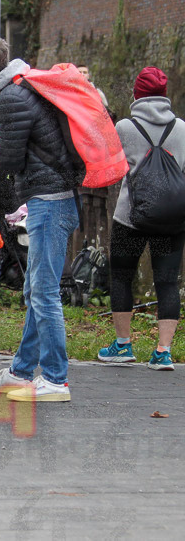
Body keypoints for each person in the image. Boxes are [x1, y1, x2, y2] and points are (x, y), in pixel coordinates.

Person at [0, 36, 81, 399]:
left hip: (49, 199)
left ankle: (55, 378)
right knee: (36, 289)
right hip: (54, 196)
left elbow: (8, 159)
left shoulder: (10, 97)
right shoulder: (23, 85)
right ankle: (21, 371)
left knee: (45, 292)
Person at [98, 67, 184, 371]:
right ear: (164, 95)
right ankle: (163, 352)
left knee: (121, 276)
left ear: (137, 94)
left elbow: (110, 163)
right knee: (167, 281)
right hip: (172, 218)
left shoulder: (125, 127)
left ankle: (123, 346)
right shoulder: (182, 128)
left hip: (129, 217)